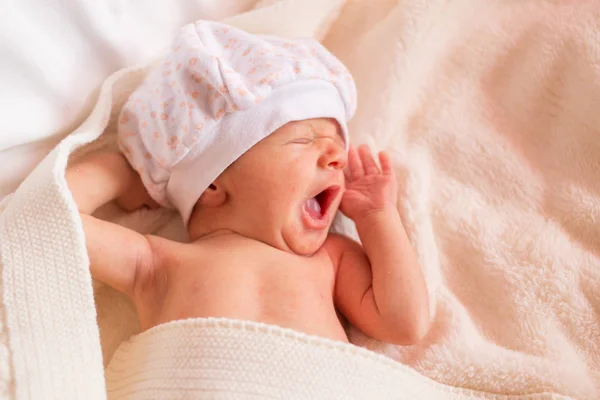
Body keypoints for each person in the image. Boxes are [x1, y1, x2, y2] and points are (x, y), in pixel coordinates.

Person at [66, 20, 429, 345]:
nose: (337, 159)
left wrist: (378, 218)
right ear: (211, 185)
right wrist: (125, 170)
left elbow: (404, 324)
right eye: (304, 140)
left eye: (337, 147)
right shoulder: (155, 264)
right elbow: (56, 217)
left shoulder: (331, 259)